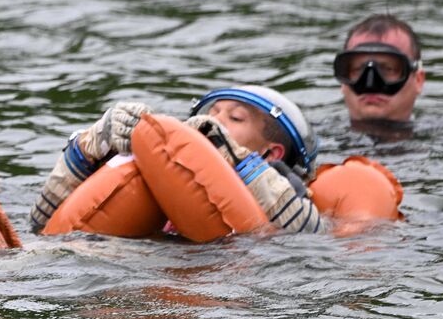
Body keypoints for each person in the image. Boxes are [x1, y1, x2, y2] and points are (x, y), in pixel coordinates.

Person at [30, 85, 328, 236]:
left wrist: (231, 153)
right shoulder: (163, 165)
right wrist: (90, 143)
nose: (214, 119)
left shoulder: (284, 181)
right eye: (214, 111)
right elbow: (40, 226)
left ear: (272, 152)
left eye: (235, 117)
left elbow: (307, 236)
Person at [335, 14, 424, 128]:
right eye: (358, 69)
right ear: (343, 81)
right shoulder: (310, 137)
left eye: (388, 69)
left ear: (418, 80)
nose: (370, 83)